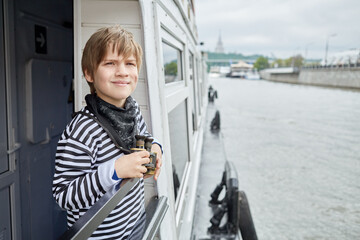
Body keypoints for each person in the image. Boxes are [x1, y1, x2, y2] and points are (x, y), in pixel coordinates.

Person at [52, 25, 162, 239]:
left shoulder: (132, 108)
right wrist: (115, 170)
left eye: (129, 63)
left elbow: (145, 137)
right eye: (110, 63)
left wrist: (157, 147)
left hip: (135, 223)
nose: (122, 71)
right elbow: (64, 196)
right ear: (89, 74)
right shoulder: (82, 130)